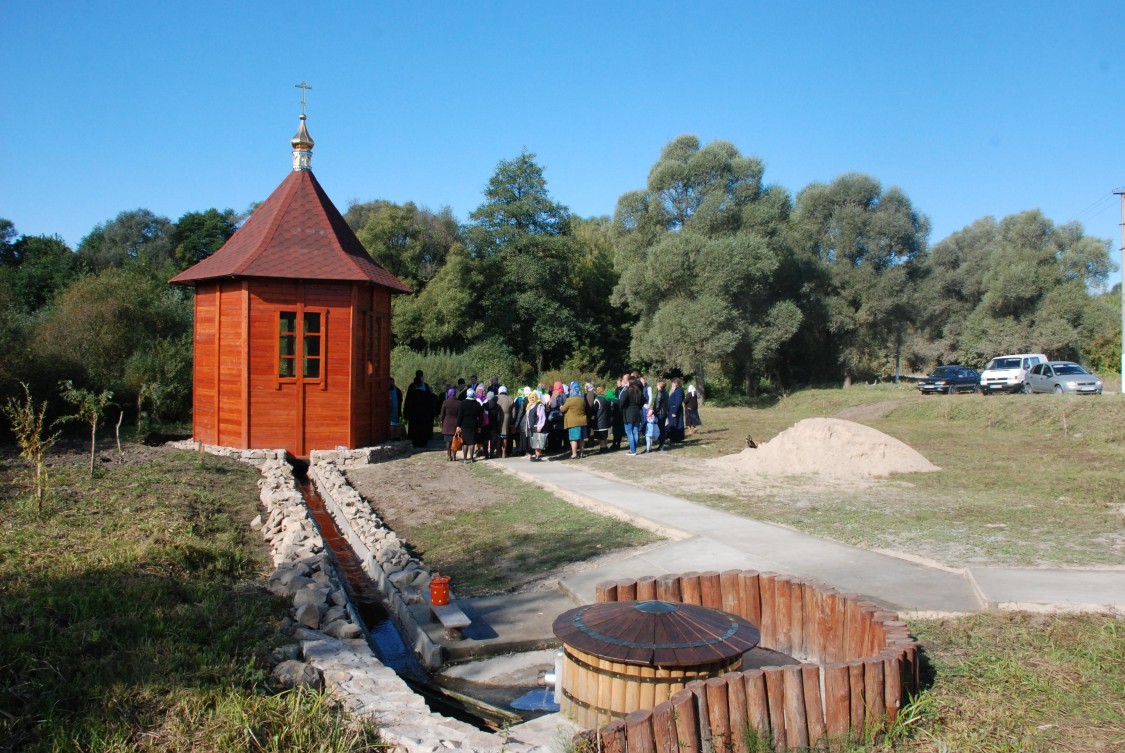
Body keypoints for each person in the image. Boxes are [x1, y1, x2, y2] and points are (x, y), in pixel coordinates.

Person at [403, 370, 434, 448]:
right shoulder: (425, 387)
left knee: (414, 428)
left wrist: (406, 412)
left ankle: (415, 442)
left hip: (413, 413)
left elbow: (407, 401)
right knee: (423, 428)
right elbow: (429, 401)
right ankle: (422, 442)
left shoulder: (412, 387)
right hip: (423, 413)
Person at [561, 382, 588, 459]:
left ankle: (574, 454)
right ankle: (582, 453)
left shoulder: (570, 399)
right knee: (582, 438)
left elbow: (563, 409)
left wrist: (561, 407)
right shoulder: (582, 399)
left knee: (574, 439)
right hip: (582, 421)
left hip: (573, 422)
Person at [456, 388, 483, 463]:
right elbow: (481, 416)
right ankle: (471, 458)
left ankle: (465, 459)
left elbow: (460, 415)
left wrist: (458, 425)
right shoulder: (477, 404)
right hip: (474, 424)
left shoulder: (463, 403)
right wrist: (479, 426)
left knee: (465, 442)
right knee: (472, 442)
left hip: (464, 424)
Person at [620, 377, 644, 456]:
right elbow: (643, 401)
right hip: (637, 412)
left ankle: (632, 450)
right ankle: (634, 449)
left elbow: (621, 402)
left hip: (629, 413)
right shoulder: (638, 391)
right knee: (635, 431)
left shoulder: (627, 391)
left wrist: (621, 408)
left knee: (629, 432)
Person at [524, 391, 549, 462]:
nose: (532, 399)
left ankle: (538, 456)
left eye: (533, 397)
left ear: (536, 397)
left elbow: (542, 417)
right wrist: (528, 426)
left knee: (538, 441)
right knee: (534, 441)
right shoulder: (530, 405)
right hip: (532, 426)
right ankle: (536, 455)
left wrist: (540, 426)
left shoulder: (539, 405)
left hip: (537, 426)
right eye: (530, 398)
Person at [438, 388, 461, 461]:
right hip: (456, 423)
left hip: (447, 423)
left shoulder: (445, 402)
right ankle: (454, 456)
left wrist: (441, 421)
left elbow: (442, 414)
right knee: (455, 441)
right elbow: (460, 414)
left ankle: (449, 456)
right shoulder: (459, 403)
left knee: (448, 441)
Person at [591, 386, 612, 453]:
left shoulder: (598, 400)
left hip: (600, 420)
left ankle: (602, 448)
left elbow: (594, 410)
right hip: (606, 420)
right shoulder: (607, 399)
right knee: (605, 435)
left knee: (601, 436)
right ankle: (605, 446)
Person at [496, 385, 515, 458]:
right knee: (505, 436)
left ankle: (498, 452)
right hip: (506, 419)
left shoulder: (495, 397)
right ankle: (504, 453)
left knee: (498, 436)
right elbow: (514, 412)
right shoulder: (510, 399)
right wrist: (512, 421)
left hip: (497, 419)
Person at [665, 376, 685, 445]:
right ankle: (672, 438)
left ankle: (676, 439)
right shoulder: (675, 390)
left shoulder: (679, 390)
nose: (672, 385)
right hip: (671, 409)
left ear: (676, 383)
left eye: (672, 383)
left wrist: (675, 412)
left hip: (675, 410)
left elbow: (678, 402)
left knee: (676, 424)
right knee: (672, 424)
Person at [650, 378, 669, 450]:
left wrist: (654, 411)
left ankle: (661, 445)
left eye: (657, 385)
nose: (656, 386)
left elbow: (657, 404)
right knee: (662, 429)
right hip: (664, 412)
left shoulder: (660, 393)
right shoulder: (666, 393)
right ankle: (662, 443)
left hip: (660, 413)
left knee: (660, 429)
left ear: (660, 386)